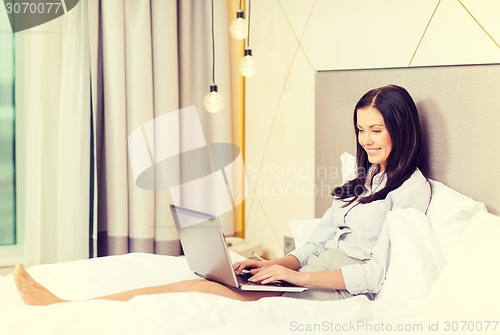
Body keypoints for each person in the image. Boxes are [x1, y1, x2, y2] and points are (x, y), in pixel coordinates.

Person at [14, 84, 431, 305]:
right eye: (361, 129)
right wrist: (274, 265)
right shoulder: (363, 178)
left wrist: (299, 278)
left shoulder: (411, 191)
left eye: (377, 129)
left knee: (203, 291)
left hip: (333, 288)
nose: (367, 139)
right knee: (196, 275)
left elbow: (374, 274)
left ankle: (67, 306)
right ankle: (79, 300)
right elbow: (314, 242)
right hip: (304, 274)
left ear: (402, 127)